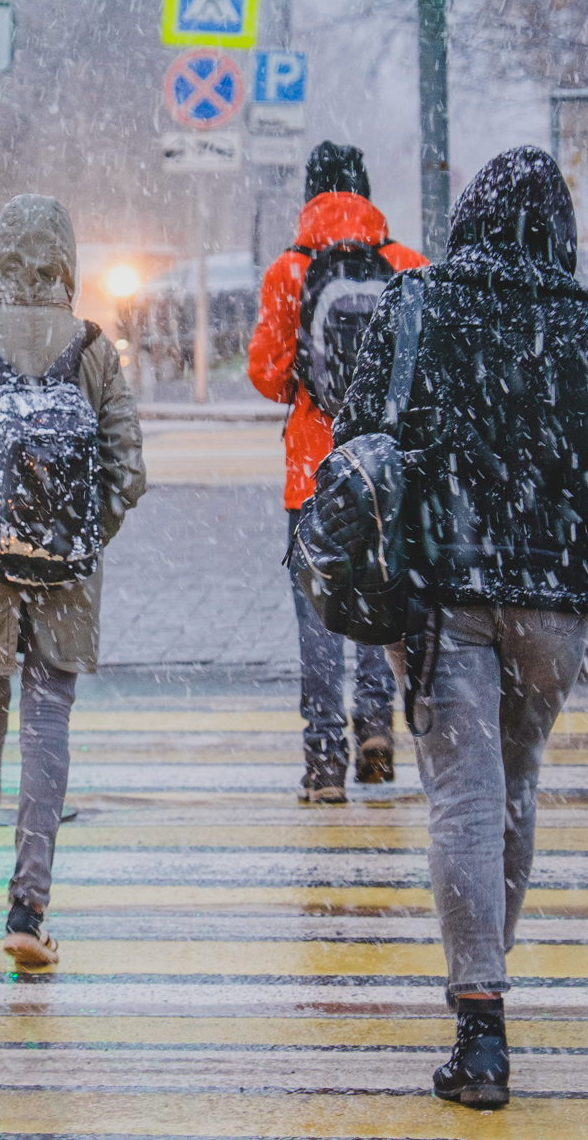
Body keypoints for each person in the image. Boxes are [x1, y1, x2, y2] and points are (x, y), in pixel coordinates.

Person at [333, 147, 588, 1109]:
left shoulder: (415, 304)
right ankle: (489, 979)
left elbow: (360, 434)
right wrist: (558, 451)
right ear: (557, 231)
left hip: (439, 593)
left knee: (463, 799)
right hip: (551, 602)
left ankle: (481, 1026)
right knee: (514, 787)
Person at [0, 193, 146, 967]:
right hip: (66, 576)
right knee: (49, 724)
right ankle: (28, 905)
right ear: (64, 262)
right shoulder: (92, 348)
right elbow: (128, 470)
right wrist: (78, 537)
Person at [249, 142, 428, 802]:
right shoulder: (408, 267)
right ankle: (377, 732)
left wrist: (305, 382)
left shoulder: (287, 272)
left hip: (313, 474)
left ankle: (324, 761)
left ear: (311, 195)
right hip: (386, 469)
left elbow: (266, 376)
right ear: (367, 192)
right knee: (382, 606)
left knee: (320, 621)